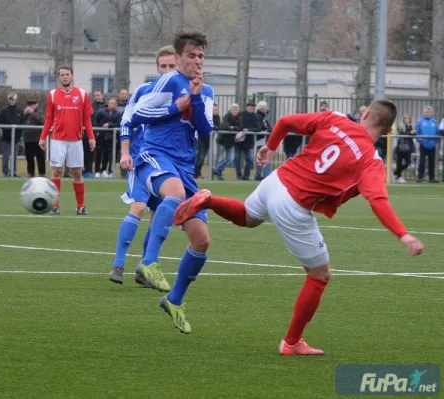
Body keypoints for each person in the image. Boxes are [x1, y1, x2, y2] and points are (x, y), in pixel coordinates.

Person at [172, 100, 425, 351]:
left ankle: (208, 200)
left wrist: (270, 147)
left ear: (365, 113)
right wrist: (403, 235)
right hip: (294, 202)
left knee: (248, 217)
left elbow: (285, 122)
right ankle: (292, 343)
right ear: (389, 131)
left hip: (278, 179)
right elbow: (377, 200)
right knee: (319, 276)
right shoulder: (371, 160)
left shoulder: (335, 118)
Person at [130, 29, 214, 334]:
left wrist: (194, 98)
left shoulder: (205, 90)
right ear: (178, 58)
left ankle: (174, 300)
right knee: (174, 194)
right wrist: (175, 107)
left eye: (201, 56)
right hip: (155, 154)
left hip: (184, 166)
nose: (197, 61)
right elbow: (139, 113)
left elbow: (205, 132)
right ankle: (148, 263)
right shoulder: (168, 80)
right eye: (191, 55)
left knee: (202, 241)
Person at [109, 44, 177, 285]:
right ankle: (118, 264)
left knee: (158, 215)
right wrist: (125, 153)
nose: (167, 70)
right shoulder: (143, 91)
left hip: (166, 164)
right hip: (140, 161)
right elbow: (127, 122)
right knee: (138, 206)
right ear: (157, 68)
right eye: (163, 66)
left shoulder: (185, 94)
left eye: (172, 66)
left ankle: (145, 269)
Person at [39, 65, 96, 215]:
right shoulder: (52, 95)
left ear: (72, 75)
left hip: (76, 140)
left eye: (67, 74)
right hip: (58, 139)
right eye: (62, 75)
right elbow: (49, 118)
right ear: (59, 77)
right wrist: (43, 137)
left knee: (77, 173)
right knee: (57, 171)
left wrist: (91, 137)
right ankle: (54, 206)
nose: (64, 77)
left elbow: (87, 119)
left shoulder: (82, 94)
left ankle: (81, 206)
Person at [23, 100, 46, 177]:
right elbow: (21, 122)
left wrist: (32, 113)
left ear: (36, 105)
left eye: (33, 105)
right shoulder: (26, 113)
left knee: (40, 157)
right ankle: (30, 173)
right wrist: (24, 114)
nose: (31, 106)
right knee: (29, 157)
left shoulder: (40, 112)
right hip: (28, 139)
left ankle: (42, 173)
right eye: (29, 105)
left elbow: (42, 121)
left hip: (38, 139)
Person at [393, 115, 416, 183]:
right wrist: (410, 133)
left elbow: (414, 135)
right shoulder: (400, 126)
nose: (407, 119)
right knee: (399, 163)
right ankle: (398, 177)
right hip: (401, 147)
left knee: (408, 162)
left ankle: (395, 173)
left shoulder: (412, 126)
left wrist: (413, 132)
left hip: (408, 147)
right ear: (403, 119)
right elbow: (402, 134)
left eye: (408, 118)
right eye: (405, 118)